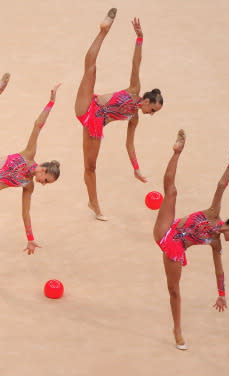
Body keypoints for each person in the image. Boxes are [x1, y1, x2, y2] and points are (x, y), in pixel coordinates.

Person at [0, 73, 61, 289]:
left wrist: (30, 237)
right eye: (47, 179)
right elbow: (38, 126)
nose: (44, 183)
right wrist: (51, 103)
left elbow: (25, 212)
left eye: (47, 183)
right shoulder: (29, 154)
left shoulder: (29, 185)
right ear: (43, 168)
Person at [153, 129, 229, 350]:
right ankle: (177, 151)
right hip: (168, 229)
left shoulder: (216, 242)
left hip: (175, 247)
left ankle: (177, 330)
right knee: (171, 192)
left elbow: (219, 270)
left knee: (174, 290)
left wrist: (221, 295)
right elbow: (222, 185)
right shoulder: (214, 213)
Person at [75, 8, 163, 220]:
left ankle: (93, 203)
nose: (151, 114)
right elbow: (136, 64)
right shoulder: (134, 90)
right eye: (152, 110)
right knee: (90, 70)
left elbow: (129, 145)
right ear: (147, 100)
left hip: (95, 124)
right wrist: (140, 38)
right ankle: (103, 30)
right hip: (90, 104)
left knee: (90, 167)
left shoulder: (135, 118)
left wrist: (136, 168)